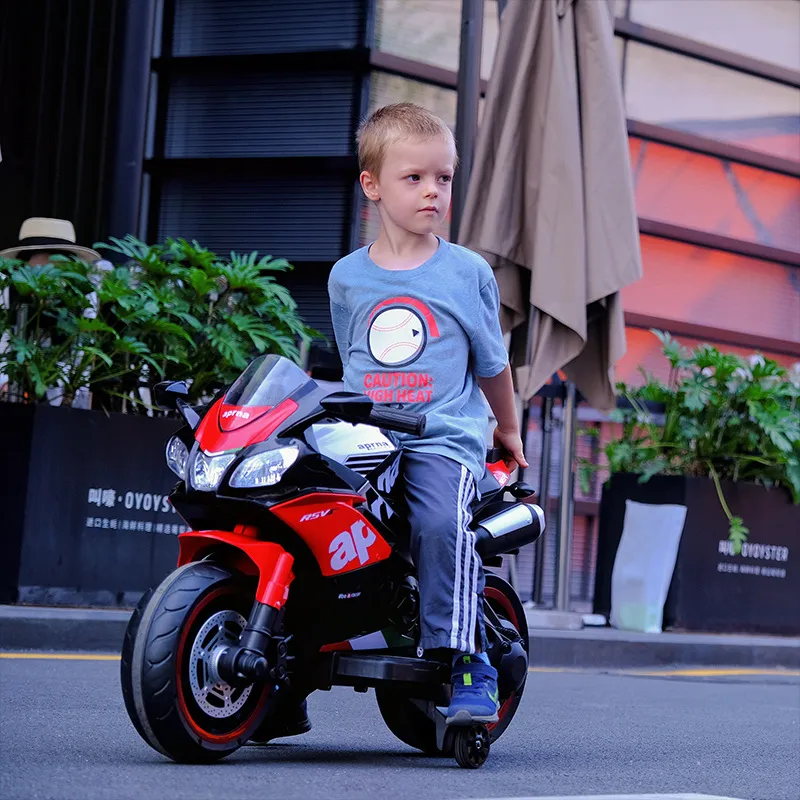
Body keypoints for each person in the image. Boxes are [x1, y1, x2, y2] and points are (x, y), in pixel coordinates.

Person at [331, 103, 527, 722]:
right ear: (372, 184)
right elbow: (351, 363)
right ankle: (284, 663)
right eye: (413, 178)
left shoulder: (466, 271)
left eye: (442, 178)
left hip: (440, 439)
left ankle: (468, 658)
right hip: (364, 440)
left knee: (442, 525)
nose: (432, 191)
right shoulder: (346, 278)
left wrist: (508, 428)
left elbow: (493, 363)